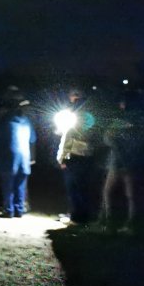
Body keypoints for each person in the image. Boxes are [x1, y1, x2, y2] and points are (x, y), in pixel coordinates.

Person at [55, 88, 96, 224]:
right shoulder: (90, 116)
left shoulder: (74, 117)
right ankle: (81, 215)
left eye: (74, 96)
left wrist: (61, 158)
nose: (71, 98)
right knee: (82, 187)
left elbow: (68, 140)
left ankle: (76, 216)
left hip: (75, 157)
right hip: (87, 157)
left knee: (73, 187)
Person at [0, 95, 36, 218]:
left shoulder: (5, 120)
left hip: (8, 157)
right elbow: (33, 138)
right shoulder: (27, 121)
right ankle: (19, 210)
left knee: (8, 185)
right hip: (24, 158)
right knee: (20, 185)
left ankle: (8, 210)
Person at [101, 96, 138, 232]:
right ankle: (130, 223)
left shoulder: (118, 122)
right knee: (130, 194)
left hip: (118, 163)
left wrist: (112, 140)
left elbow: (107, 138)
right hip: (130, 162)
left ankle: (110, 222)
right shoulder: (137, 121)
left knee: (108, 192)